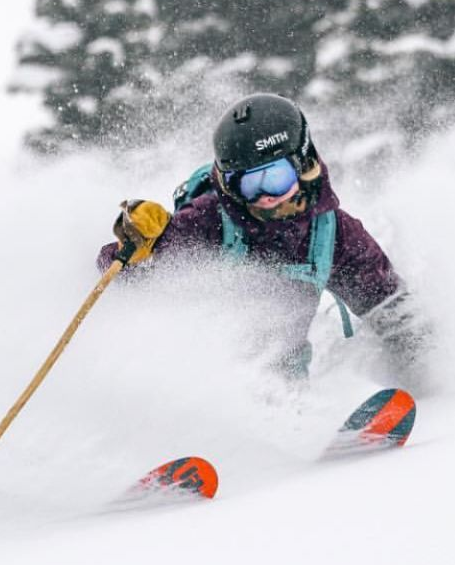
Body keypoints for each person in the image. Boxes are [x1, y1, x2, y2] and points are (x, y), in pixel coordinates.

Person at [97, 93, 431, 386]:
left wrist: (427, 374)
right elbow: (130, 278)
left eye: (276, 177)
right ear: (229, 185)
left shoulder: (334, 236)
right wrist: (135, 250)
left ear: (302, 163)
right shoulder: (208, 220)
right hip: (200, 375)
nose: (266, 196)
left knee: (279, 377)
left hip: (282, 385)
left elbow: (392, 310)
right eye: (249, 185)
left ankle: (290, 430)